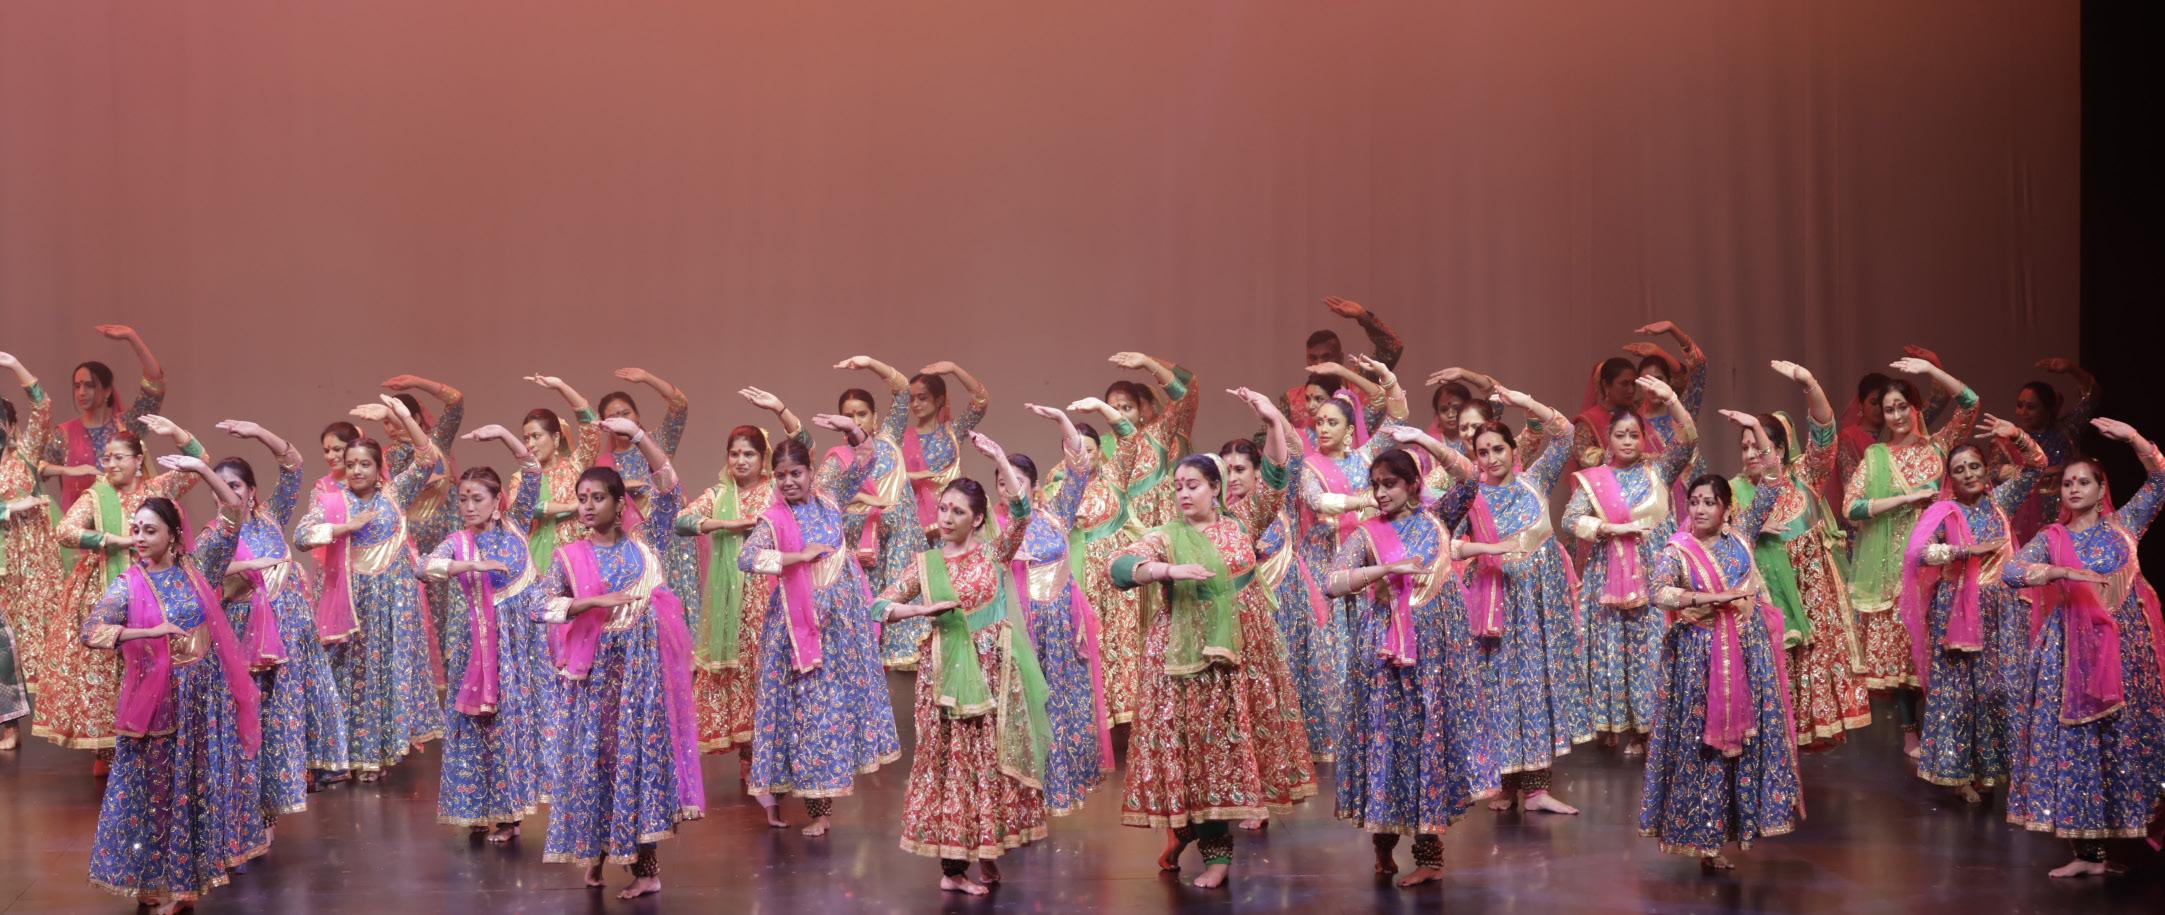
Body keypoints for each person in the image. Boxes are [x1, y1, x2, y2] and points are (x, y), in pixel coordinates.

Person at [1109, 389, 1317, 890]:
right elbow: (1119, 567)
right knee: (1194, 755)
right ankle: (1197, 840)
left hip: (1238, 661)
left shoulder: (1242, 522)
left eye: (1194, 485)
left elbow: (1276, 476)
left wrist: (1273, 420)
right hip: (1184, 664)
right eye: (1178, 486)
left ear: (1216, 489)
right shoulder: (1166, 535)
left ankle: (1207, 846)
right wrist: (1166, 570)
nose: (1184, 494)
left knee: (1226, 753)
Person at [871, 433, 1051, 895]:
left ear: (978, 519)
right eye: (943, 509)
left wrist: (999, 457)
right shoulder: (926, 564)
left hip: (992, 674)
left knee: (987, 762)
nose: (946, 518)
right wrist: (919, 610)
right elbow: (879, 604)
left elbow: (1023, 513)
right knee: (951, 763)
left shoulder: (993, 553)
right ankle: (952, 869)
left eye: (957, 512)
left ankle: (986, 850)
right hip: (945, 677)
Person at [533, 416, 704, 899]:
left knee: (638, 764)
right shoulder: (569, 556)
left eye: (597, 498)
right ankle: (598, 853)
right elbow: (537, 606)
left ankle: (647, 870)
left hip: (641, 680)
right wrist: (586, 603)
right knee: (597, 763)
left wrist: (641, 437)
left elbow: (669, 489)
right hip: (592, 681)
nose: (587, 506)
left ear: (619, 503)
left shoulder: (646, 547)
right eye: (582, 498)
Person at [81, 461, 263, 915]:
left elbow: (233, 511)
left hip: (202, 701)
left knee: (195, 792)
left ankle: (185, 887)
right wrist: (148, 632)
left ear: (174, 535)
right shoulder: (129, 584)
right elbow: (92, 632)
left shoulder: (200, 567)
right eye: (136, 530)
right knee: (155, 794)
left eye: (150, 530)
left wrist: (200, 467)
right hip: (155, 705)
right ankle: (152, 879)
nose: (140, 538)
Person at [1324, 435, 1497, 887]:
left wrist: (1423, 440)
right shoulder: (1368, 533)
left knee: (1425, 746)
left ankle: (1430, 858)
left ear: (1413, 484)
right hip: (1384, 657)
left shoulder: (1439, 519)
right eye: (1376, 485)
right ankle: (1382, 847)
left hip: (1433, 658)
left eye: (1391, 484)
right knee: (1386, 743)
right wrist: (1383, 571)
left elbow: (1469, 478)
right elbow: (1332, 582)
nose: (1381, 493)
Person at [2001, 419, 2165, 878]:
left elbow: (2161, 481)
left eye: (2083, 482)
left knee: (2124, 738)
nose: (2073, 488)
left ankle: (2122, 836)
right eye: (2068, 482)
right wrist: (2057, 572)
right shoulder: (2052, 538)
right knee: (2078, 744)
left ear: (2101, 488)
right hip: (2070, 651)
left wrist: (2135, 440)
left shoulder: (2125, 525)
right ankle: (2086, 853)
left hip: (2127, 651)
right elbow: (2012, 572)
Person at [737, 424, 903, 837]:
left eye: (795, 473)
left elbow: (867, 459)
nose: (788, 482)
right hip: (799, 631)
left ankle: (822, 807)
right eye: (780, 475)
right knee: (810, 713)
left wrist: (853, 431)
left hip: (841, 629)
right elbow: (747, 558)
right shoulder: (774, 519)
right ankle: (815, 809)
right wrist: (796, 557)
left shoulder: (831, 500)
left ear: (811, 472)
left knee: (832, 713)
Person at [1639, 475, 1804, 872]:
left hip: (1746, 655)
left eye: (1709, 502)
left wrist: (1761, 445)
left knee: (1743, 747)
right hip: (1699, 658)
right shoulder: (1678, 550)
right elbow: (1658, 592)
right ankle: (1705, 841)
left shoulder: (1741, 538)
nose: (1698, 509)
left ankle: (1738, 829)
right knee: (1704, 748)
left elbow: (1770, 488)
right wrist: (1708, 598)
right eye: (1694, 501)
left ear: (1726, 509)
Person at [36, 414, 206, 765]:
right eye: (106, 458)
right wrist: (112, 540)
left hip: (157, 588)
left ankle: (156, 737)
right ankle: (110, 747)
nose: (110, 464)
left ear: (137, 459)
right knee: (109, 664)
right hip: (107, 586)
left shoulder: (157, 490)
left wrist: (176, 431)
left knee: (154, 657)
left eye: (118, 457)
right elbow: (64, 531)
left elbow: (199, 463)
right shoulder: (96, 495)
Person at [207, 419, 350, 831]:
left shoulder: (271, 517)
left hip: (288, 638)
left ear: (252, 492)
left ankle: (272, 808)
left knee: (280, 722)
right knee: (250, 721)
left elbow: (293, 465)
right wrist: (249, 565)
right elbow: (203, 571)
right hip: (242, 639)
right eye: (219, 488)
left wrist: (258, 432)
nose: (227, 494)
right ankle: (248, 810)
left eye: (235, 486)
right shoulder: (215, 535)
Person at [292, 397, 445, 780]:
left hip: (393, 604)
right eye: (351, 464)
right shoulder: (332, 501)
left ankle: (379, 755)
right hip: (352, 605)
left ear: (379, 470)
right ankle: (345, 757)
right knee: (351, 679)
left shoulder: (394, 495)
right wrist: (344, 528)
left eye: (365, 464)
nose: (356, 470)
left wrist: (402, 417)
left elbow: (427, 459)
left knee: (385, 677)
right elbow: (302, 536)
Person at [1896, 415, 2046, 802]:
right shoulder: (1944, 512)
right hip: (1956, 611)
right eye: (1960, 469)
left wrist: (2016, 435)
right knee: (1959, 694)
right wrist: (1965, 551)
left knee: (1998, 691)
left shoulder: (2000, 502)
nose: (1968, 474)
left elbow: (2037, 467)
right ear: (1951, 477)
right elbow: (1918, 554)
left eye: (1974, 466)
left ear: (1985, 469)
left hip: (2001, 609)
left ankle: (1991, 770)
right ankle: (1959, 773)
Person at [1725, 360, 1872, 749]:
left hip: (1813, 591)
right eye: (1744, 447)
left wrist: (1809, 383)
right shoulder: (1733, 492)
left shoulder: (1806, 476)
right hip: (1767, 594)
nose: (1751, 454)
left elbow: (1824, 431)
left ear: (1779, 449)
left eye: (1759, 446)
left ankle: (1800, 744)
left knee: (1812, 660)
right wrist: (1749, 531)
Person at [1453, 385, 1585, 814]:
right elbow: (1448, 544)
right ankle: (1505, 785)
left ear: (1513, 449)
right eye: (1483, 452)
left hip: (1540, 605)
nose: (1491, 458)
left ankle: (1538, 790)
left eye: (1498, 449)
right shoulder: (1472, 497)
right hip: (1497, 603)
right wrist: (1488, 549)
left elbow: (1565, 435)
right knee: (1502, 689)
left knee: (1538, 685)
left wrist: (1525, 402)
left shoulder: (1534, 481)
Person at [1845, 356, 1979, 756]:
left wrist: (1933, 371)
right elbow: (1852, 507)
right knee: (1904, 653)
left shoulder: (1938, 446)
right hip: (1893, 566)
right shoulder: (1876, 456)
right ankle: (1910, 731)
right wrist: (1906, 499)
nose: (1897, 415)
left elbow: (1970, 403)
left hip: (1940, 560)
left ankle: (1943, 730)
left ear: (1916, 407)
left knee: (1939, 647)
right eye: (1889, 409)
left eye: (1903, 406)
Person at [423, 424, 548, 842]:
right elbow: (422, 567)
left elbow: (532, 471)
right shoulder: (458, 542)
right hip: (478, 647)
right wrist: (469, 566)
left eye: (477, 499)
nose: (468, 506)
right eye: (463, 499)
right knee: (476, 727)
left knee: (510, 728)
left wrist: (504, 435)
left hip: (520, 647)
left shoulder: (515, 526)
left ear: (498, 502)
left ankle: (510, 816)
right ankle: (474, 810)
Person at [1566, 376, 1700, 751]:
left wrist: (1671, 399)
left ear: (1643, 438)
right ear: (1608, 439)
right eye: (1620, 435)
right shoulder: (1596, 480)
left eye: (1634, 435)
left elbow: (1689, 439)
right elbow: (1570, 519)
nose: (1627, 441)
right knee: (1614, 647)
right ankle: (1615, 723)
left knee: (1652, 647)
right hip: (1609, 576)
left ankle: (1651, 728)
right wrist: (1608, 528)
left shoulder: (1659, 471)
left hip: (1654, 574)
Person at [998, 406, 1112, 817]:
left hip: (1060, 628)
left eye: (1016, 482)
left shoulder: (1056, 515)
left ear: (1034, 486)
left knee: (1061, 706)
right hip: (1020, 631)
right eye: (1001, 482)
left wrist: (1063, 421)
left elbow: (1080, 468)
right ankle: (1021, 791)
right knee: (1024, 706)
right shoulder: (995, 528)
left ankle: (1060, 785)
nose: (1008, 489)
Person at [675, 423, 784, 820]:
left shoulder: (776, 491)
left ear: (763, 458)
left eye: (749, 454)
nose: (741, 460)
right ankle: (750, 761)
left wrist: (780, 412)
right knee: (739, 675)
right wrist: (726, 525)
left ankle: (772, 763)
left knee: (766, 673)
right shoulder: (719, 495)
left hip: (769, 597)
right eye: (735, 453)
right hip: (729, 606)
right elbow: (682, 521)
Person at [593, 368, 697, 603]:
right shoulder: (604, 465)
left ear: (637, 416)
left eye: (626, 413)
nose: (621, 420)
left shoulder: (657, 442)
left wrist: (648, 378)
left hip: (673, 540)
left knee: (680, 603)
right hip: (637, 546)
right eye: (614, 416)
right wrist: (622, 487)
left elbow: (680, 406)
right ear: (604, 424)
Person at [42, 324, 167, 514]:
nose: (81, 392)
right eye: (77, 386)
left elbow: (155, 384)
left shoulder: (127, 425)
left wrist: (132, 337)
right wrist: (67, 470)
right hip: (78, 526)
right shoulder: (63, 434)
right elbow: (35, 468)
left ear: (108, 390)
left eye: (89, 385)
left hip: (125, 521)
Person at [0, 351, 63, 725]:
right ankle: (6, 721)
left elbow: (43, 408)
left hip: (33, 564)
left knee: (33, 639)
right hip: (2, 562)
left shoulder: (23, 457)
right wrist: (9, 508)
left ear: (11, 426)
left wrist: (14, 366)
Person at [1995, 357, 2098, 546]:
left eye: (2031, 407)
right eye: (2020, 405)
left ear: (2048, 409)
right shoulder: (2008, 439)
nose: (2023, 412)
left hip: (2067, 510)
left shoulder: (2066, 432)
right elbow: (1993, 471)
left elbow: (2092, 396)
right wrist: (2042, 472)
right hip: (2024, 515)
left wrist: (2072, 369)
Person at [1279, 297, 1405, 430]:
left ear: (1340, 358)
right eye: (1313, 358)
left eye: (1326, 357)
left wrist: (1363, 318)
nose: (1319, 363)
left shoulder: (1362, 380)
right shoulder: (1291, 400)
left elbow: (1392, 347)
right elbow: (1267, 436)